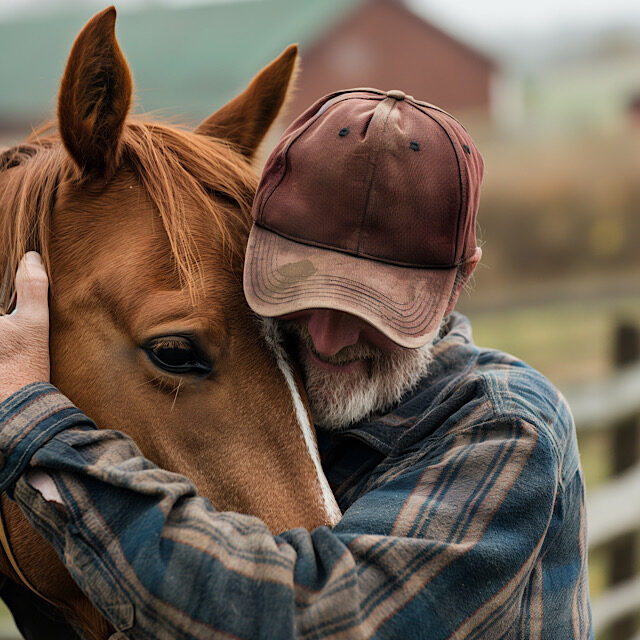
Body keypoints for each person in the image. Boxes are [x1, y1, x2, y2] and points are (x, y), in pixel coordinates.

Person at [0, 89, 592, 638]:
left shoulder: (502, 429)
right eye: (299, 287)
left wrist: (35, 429)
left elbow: (315, 618)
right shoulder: (277, 384)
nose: (329, 341)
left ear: (459, 281)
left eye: (380, 308)